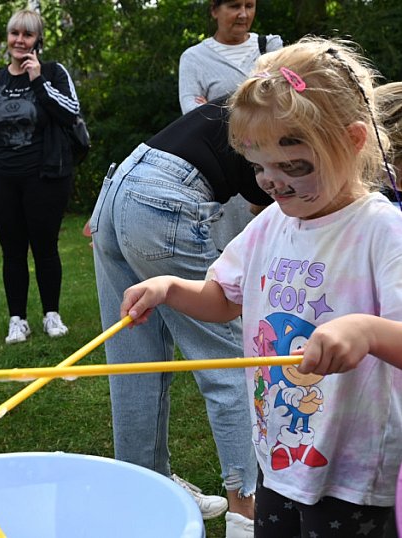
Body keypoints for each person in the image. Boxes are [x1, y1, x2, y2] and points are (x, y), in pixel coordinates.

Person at [118, 38, 402, 537]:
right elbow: (224, 299)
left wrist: (366, 332)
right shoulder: (272, 223)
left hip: (352, 474)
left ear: (354, 141)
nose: (273, 183)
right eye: (258, 167)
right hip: (278, 458)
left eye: (293, 166)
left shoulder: (381, 230)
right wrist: (168, 288)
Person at [89, 97, 272, 537]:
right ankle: (246, 512)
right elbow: (266, 214)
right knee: (227, 360)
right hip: (161, 197)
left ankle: (143, 487)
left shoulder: (257, 101)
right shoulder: (285, 118)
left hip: (119, 186)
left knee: (135, 360)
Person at [0, 8, 80, 344]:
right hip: (3, 179)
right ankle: (17, 320)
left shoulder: (53, 72)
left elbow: (71, 113)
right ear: (7, 39)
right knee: (12, 250)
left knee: (45, 247)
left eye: (27, 34)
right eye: (15, 33)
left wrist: (38, 80)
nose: (20, 40)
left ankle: (51, 315)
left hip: (45, 176)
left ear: (37, 40)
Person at [179, 0, 282, 252]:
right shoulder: (194, 58)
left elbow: (284, 104)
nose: (244, 14)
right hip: (226, 173)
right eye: (234, 6)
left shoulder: (271, 47)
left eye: (250, 5)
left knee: (273, 247)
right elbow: (193, 116)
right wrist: (258, 107)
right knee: (229, 254)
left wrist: (216, 106)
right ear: (214, 10)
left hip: (273, 166)